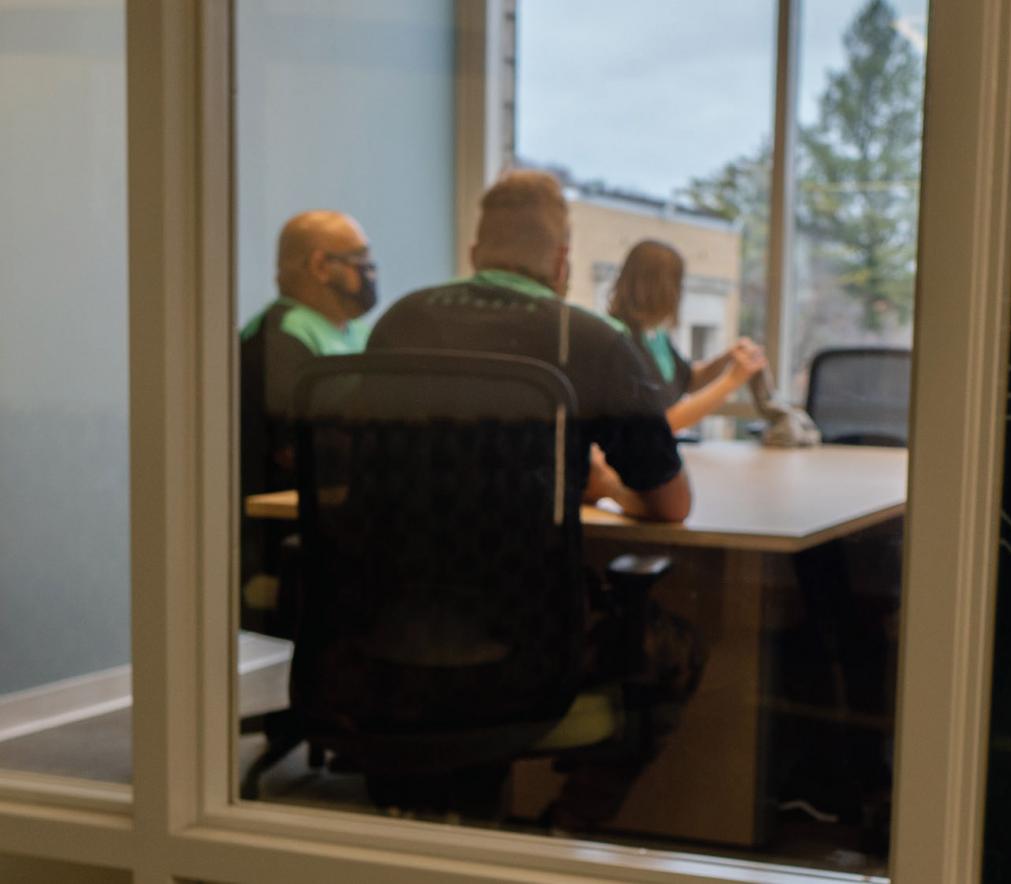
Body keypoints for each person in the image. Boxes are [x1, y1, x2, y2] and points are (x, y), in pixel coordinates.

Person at [366, 170, 699, 826]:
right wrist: (607, 488)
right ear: (562, 261)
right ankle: (558, 830)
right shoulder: (589, 340)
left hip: (381, 633)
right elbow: (672, 505)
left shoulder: (396, 322)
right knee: (678, 651)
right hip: (531, 649)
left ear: (473, 254)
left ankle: (429, 813)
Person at [239, 210, 379, 593]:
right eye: (361, 260)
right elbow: (297, 444)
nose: (370, 271)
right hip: (284, 534)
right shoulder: (276, 339)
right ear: (321, 265)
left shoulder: (362, 333)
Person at [605, 239, 767, 432]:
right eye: (676, 285)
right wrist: (732, 381)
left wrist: (727, 358)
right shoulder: (620, 342)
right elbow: (661, 424)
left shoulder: (655, 335)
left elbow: (687, 380)